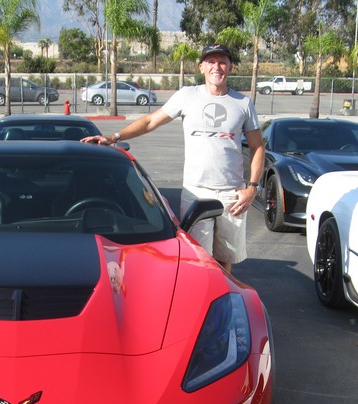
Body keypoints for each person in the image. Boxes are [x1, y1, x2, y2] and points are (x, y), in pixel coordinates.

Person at [82, 43, 265, 273]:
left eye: (222, 62)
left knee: (224, 259)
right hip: (197, 192)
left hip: (232, 194)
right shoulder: (187, 96)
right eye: (210, 62)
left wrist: (252, 188)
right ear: (201, 67)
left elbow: (258, 146)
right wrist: (114, 137)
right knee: (198, 259)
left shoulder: (243, 103)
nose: (216, 67)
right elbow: (150, 121)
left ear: (231, 67)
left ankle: (223, 294)